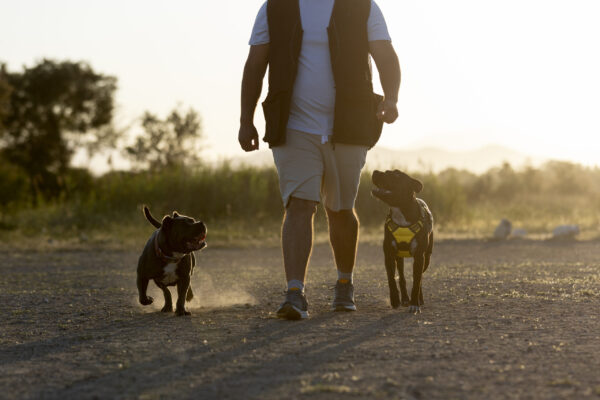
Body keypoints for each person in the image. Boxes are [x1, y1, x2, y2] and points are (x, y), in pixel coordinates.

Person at [239, 0, 400, 320]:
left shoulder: (363, 7)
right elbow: (255, 64)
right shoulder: (274, 8)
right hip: (292, 125)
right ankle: (295, 292)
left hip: (349, 126)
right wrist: (246, 119)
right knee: (299, 204)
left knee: (340, 209)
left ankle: (344, 283)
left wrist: (392, 99)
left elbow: (385, 56)